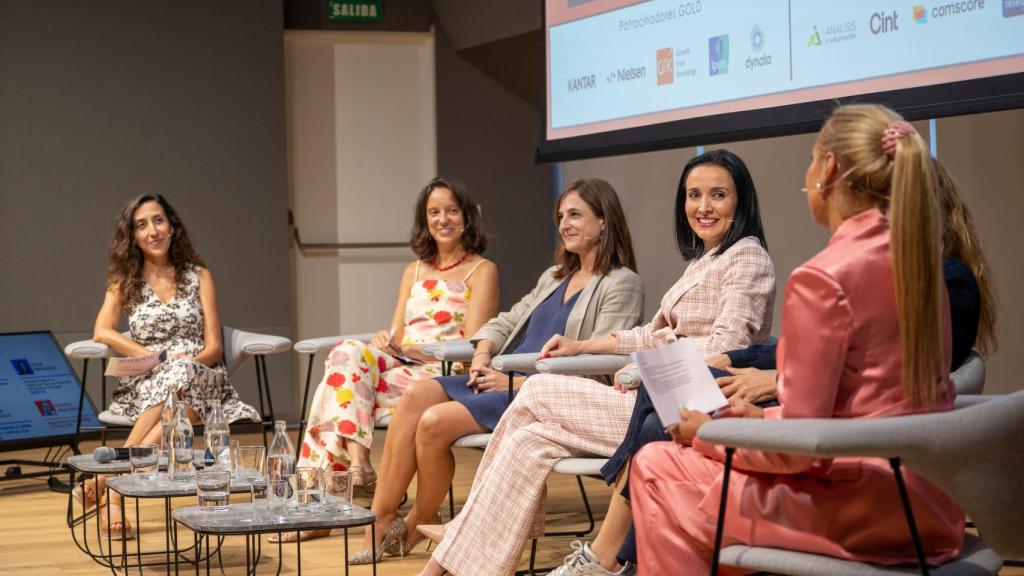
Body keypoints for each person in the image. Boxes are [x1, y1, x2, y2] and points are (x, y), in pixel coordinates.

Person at [554, 156, 999, 575]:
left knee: (657, 464)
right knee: (656, 424)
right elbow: (857, 385)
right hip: (913, 491)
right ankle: (611, 554)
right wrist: (759, 395)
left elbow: (813, 429)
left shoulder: (830, 280)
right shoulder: (914, 281)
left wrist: (716, 431)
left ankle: (609, 556)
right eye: (693, 195)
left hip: (869, 493)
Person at [629, 104, 965, 575]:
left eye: (810, 160)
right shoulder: (920, 264)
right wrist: (762, 418)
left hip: (860, 505)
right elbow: (865, 405)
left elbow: (796, 448)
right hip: (931, 502)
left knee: (655, 467)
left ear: (828, 169)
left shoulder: (821, 279)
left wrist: (706, 434)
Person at [420, 149, 777, 576]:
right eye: (693, 195)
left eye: (718, 195)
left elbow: (727, 346)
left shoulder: (747, 256)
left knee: (537, 388)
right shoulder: (706, 259)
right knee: (529, 440)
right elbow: (652, 333)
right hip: (658, 395)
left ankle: (461, 541)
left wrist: (641, 369)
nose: (703, 207)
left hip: (689, 405)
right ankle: (458, 563)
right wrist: (582, 346)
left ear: (741, 200)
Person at [349, 178, 644, 565]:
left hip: (536, 392)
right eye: (560, 216)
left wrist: (517, 381)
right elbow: (505, 321)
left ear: (604, 221)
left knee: (434, 422)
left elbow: (598, 363)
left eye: (575, 215)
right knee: (416, 395)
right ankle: (380, 521)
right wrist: (483, 353)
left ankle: (419, 518)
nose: (564, 224)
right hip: (500, 378)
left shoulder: (622, 283)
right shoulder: (555, 276)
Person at [282, 177, 499, 543]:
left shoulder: (483, 270)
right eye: (434, 212)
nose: (442, 219)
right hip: (403, 365)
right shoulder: (414, 271)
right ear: (424, 219)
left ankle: (320, 507)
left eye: (451, 211)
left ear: (466, 218)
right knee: (347, 352)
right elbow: (397, 331)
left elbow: (474, 344)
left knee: (331, 393)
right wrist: (386, 340)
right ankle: (359, 464)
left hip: (443, 374)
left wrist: (414, 350)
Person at [82, 194, 260, 539]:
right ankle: (116, 489)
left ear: (172, 227)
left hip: (204, 376)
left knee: (183, 376)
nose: (153, 231)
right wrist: (155, 357)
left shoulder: (199, 275)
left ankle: (109, 482)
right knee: (177, 393)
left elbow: (214, 348)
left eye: (159, 220)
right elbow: (102, 331)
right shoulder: (124, 280)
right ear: (133, 236)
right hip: (149, 378)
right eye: (142, 225)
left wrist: (185, 364)